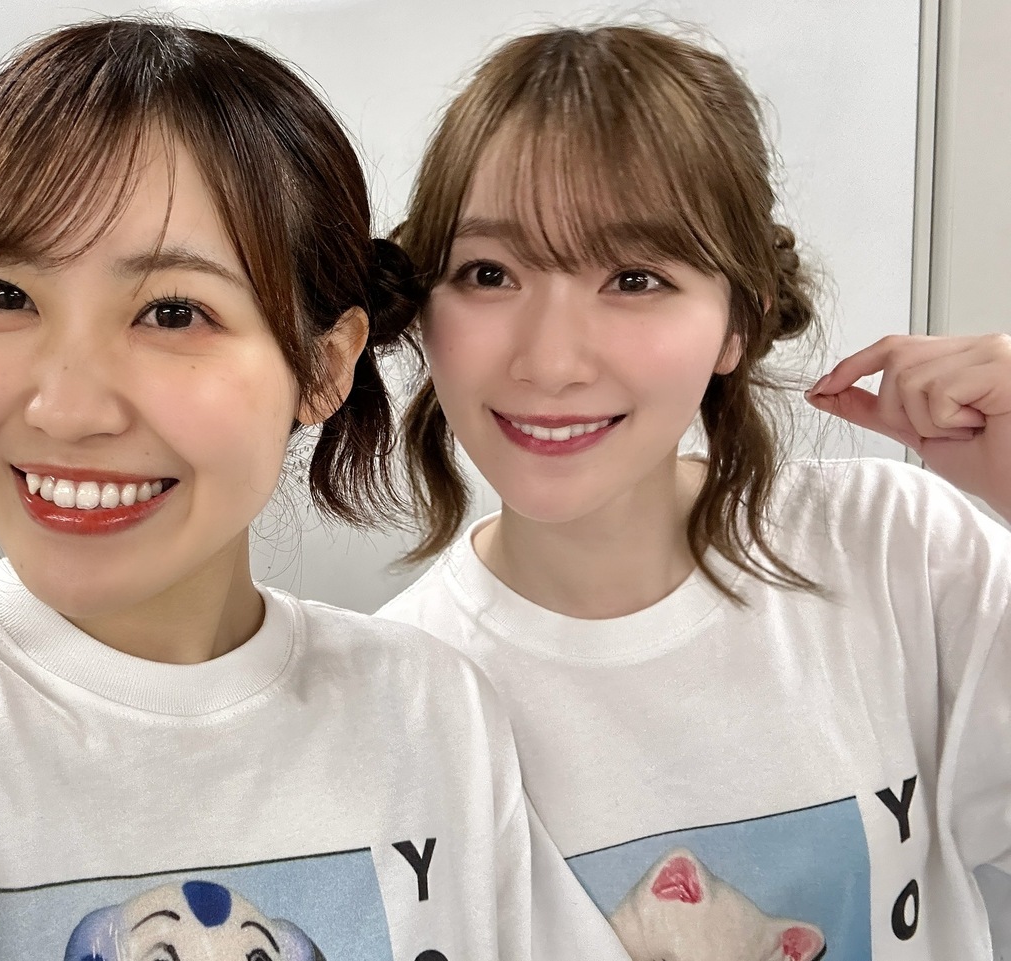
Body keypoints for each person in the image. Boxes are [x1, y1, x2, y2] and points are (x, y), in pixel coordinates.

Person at [0, 18, 630, 960]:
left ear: (324, 366)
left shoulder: (433, 715)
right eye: (5, 295)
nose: (66, 408)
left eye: (171, 312)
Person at [377, 23, 1011, 960]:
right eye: (489, 274)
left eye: (634, 278)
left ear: (737, 324)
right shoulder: (398, 694)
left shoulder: (897, 553)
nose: (550, 361)